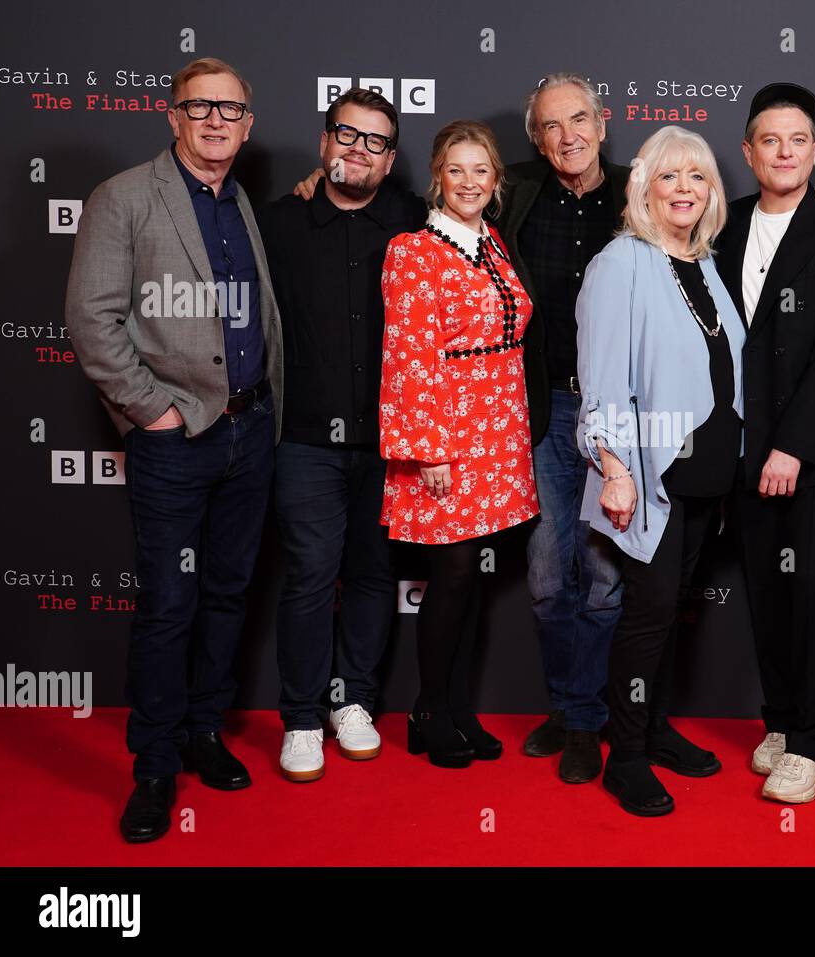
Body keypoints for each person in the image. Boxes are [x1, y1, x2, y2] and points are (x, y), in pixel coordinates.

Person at [66, 57, 284, 842]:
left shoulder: (240, 203)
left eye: (232, 110)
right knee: (168, 605)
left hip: (249, 431)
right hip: (175, 439)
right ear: (173, 115)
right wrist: (152, 411)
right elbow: (93, 321)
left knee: (228, 592)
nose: (218, 121)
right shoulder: (124, 197)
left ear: (247, 123)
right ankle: (154, 764)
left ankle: (202, 729)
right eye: (202, 108)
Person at [501, 74, 717, 783]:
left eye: (579, 119)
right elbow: (446, 203)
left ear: (603, 123)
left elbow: (714, 230)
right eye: (551, 126)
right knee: (544, 572)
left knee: (604, 577)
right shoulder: (518, 195)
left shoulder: (647, 188)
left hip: (622, 418)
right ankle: (573, 710)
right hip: (545, 407)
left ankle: (595, 717)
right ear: (537, 138)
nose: (568, 135)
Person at [715, 83, 815, 804]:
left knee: (813, 594)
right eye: (770, 140)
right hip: (743, 450)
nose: (785, 151)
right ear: (748, 152)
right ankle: (780, 722)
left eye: (799, 140)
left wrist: (793, 447)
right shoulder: (725, 221)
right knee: (767, 595)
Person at [576, 125, 744, 816]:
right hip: (652, 478)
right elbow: (604, 379)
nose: (684, 190)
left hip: (709, 476)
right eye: (669, 177)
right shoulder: (622, 263)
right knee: (646, 617)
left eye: (697, 177)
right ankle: (629, 755)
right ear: (643, 189)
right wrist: (615, 468)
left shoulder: (702, 263)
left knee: (672, 613)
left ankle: (655, 725)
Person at [259, 89, 426, 782]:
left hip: (388, 442)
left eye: (375, 142)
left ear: (389, 161)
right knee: (307, 574)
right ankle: (301, 715)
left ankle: (352, 700)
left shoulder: (415, 222)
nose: (358, 149)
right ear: (325, 142)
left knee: (372, 574)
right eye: (346, 135)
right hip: (302, 437)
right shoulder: (276, 223)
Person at [379, 120, 537, 768]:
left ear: (494, 182)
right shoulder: (412, 249)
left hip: (499, 433)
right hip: (446, 434)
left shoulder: (493, 242)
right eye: (457, 170)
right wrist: (430, 450)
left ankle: (458, 708)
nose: (469, 182)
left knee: (472, 580)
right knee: (452, 575)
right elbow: (409, 354)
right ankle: (429, 710)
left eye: (481, 171)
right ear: (436, 178)